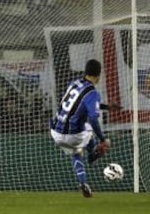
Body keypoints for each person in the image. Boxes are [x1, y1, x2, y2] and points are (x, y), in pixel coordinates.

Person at [50, 59, 121, 198]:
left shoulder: (73, 84)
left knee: (76, 153)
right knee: (89, 127)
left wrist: (107, 107)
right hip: (73, 135)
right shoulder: (93, 93)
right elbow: (93, 118)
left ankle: (83, 183)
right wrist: (103, 139)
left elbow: (79, 103)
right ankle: (93, 154)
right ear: (98, 75)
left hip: (56, 133)